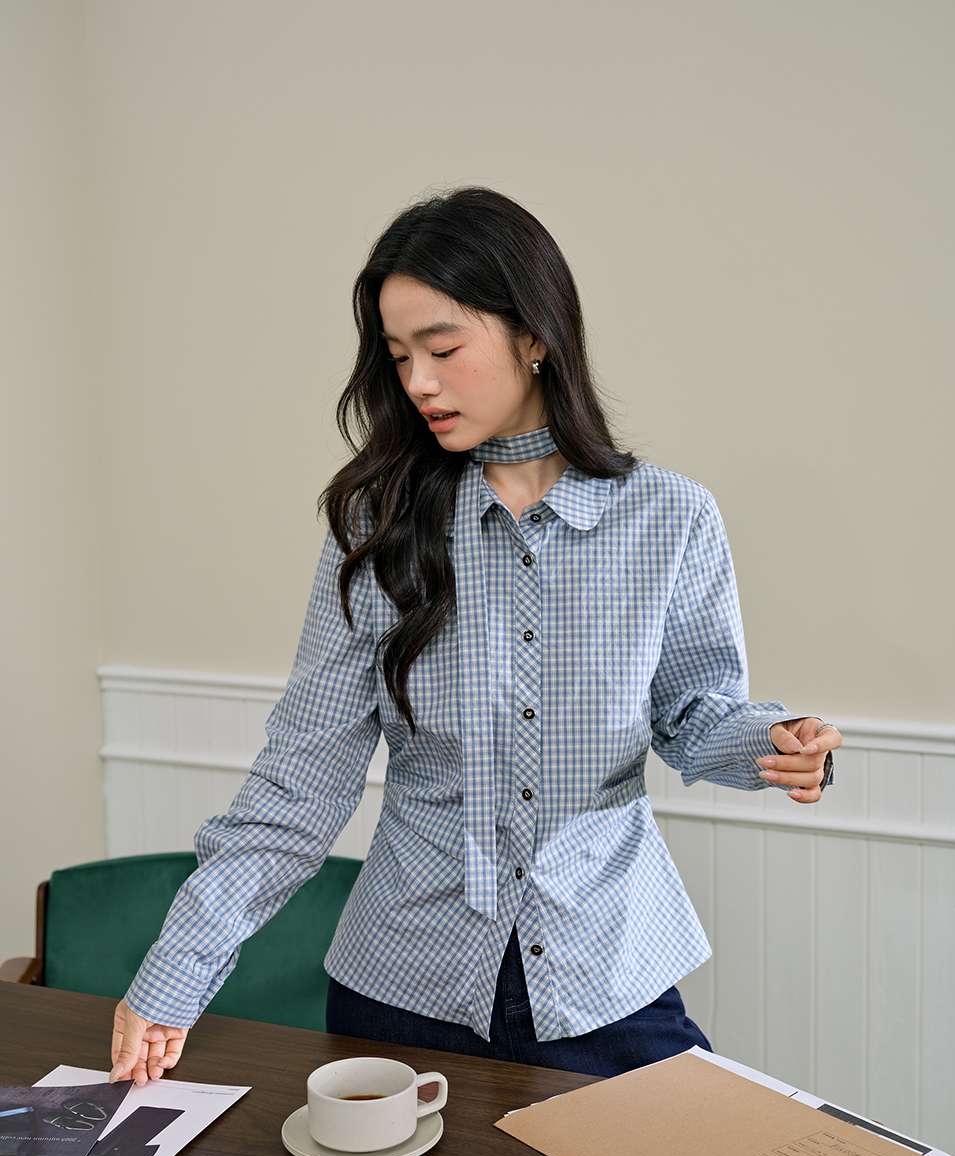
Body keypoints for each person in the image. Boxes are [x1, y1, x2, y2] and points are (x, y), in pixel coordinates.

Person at [110, 188, 840, 1086]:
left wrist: (768, 743)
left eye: (444, 348)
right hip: (401, 989)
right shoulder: (377, 525)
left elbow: (693, 712)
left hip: (607, 982)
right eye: (399, 355)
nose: (418, 382)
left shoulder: (671, 518)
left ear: (534, 335)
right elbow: (304, 775)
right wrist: (178, 969)